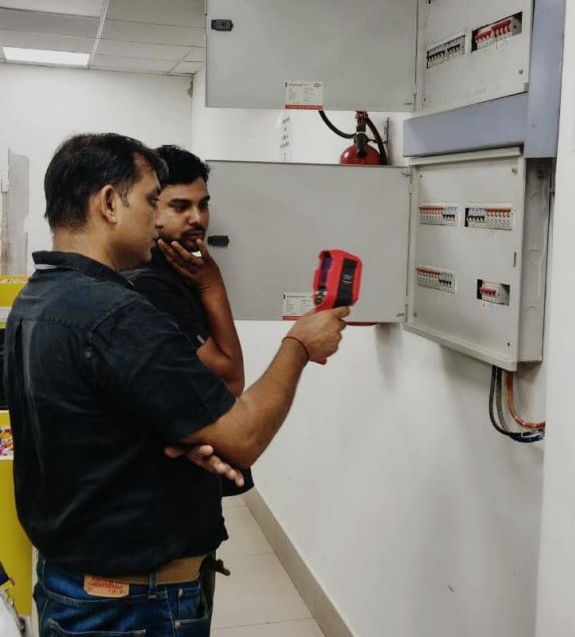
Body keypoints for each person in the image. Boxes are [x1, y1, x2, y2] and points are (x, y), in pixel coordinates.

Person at [4, 133, 348, 637]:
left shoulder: (39, 299)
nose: (160, 217)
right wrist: (298, 344)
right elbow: (244, 436)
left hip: (73, 585)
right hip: (132, 606)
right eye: (150, 200)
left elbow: (87, 419)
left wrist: (169, 438)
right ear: (108, 203)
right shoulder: (118, 316)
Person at [124, 145, 250, 612]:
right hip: (164, 518)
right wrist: (214, 285)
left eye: (203, 203)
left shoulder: (180, 271)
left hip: (183, 503)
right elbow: (229, 380)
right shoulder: (152, 281)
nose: (197, 218)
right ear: (149, 208)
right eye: (180, 206)